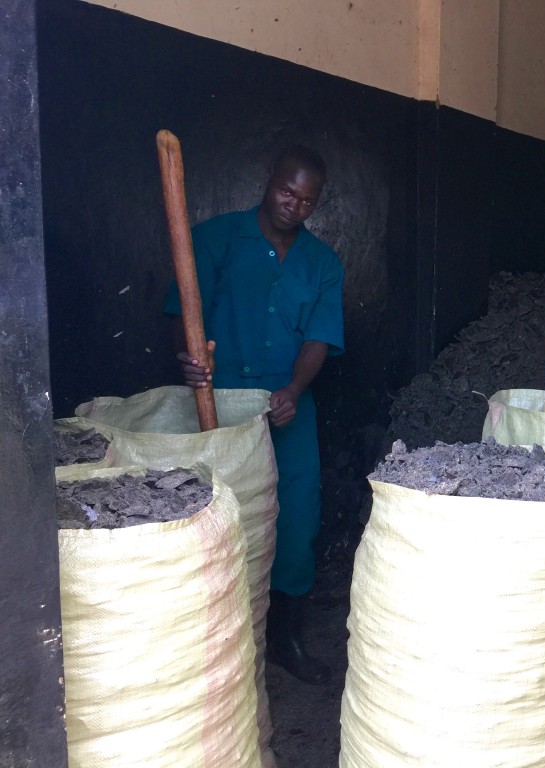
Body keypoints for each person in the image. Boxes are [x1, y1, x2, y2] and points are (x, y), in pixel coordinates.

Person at [165, 144, 345, 685]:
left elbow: (319, 337)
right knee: (216, 519)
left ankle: (284, 641)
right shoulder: (215, 239)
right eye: (287, 191)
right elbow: (182, 312)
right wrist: (192, 361)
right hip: (216, 411)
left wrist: (293, 389)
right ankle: (214, 646)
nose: (295, 205)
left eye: (307, 200)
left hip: (286, 411)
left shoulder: (322, 264)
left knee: (297, 519)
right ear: (269, 182)